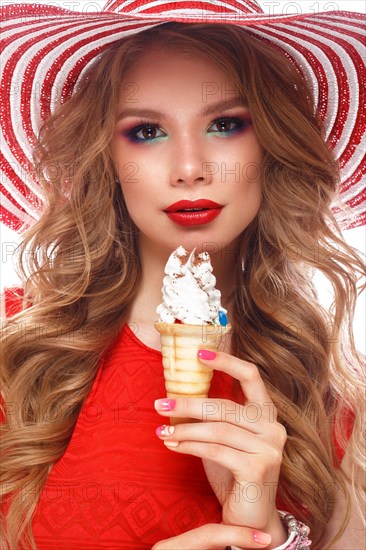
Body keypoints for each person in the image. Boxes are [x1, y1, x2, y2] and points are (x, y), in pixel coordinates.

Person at [0, 1, 365, 549]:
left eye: (225, 124)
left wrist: (265, 537)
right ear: (106, 158)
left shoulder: (328, 406)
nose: (189, 167)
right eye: (146, 131)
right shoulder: (18, 353)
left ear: (271, 145)